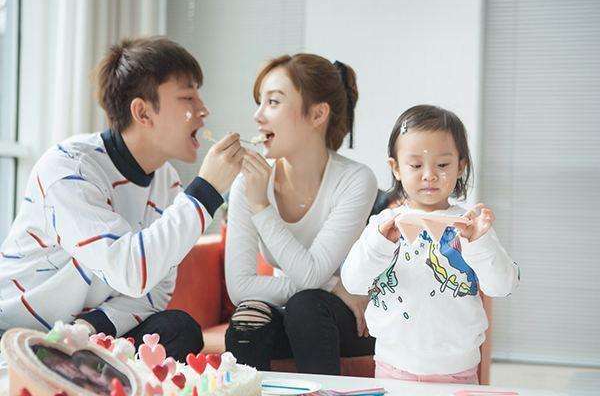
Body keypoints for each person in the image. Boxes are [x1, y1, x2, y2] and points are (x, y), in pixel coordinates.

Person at [0, 37, 244, 361]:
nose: (203, 109)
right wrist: (205, 192)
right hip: (15, 331)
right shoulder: (69, 168)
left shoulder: (167, 180)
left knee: (179, 329)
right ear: (142, 112)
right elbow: (130, 271)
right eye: (188, 96)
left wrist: (87, 330)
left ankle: (78, 366)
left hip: (84, 333)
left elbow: (155, 291)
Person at [341, 105, 520, 383]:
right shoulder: (383, 225)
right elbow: (353, 283)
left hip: (458, 372)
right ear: (396, 168)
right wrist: (380, 244)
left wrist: (479, 243)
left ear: (461, 166)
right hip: (393, 369)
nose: (429, 175)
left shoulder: (470, 226)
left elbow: (503, 285)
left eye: (443, 165)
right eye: (415, 165)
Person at [224, 53, 377, 375]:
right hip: (298, 310)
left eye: (273, 102)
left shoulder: (355, 180)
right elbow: (239, 288)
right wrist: (333, 285)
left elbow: (310, 278)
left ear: (318, 114)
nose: (258, 116)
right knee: (248, 319)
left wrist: (261, 207)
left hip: (341, 320)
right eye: (259, 102)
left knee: (306, 306)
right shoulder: (249, 183)